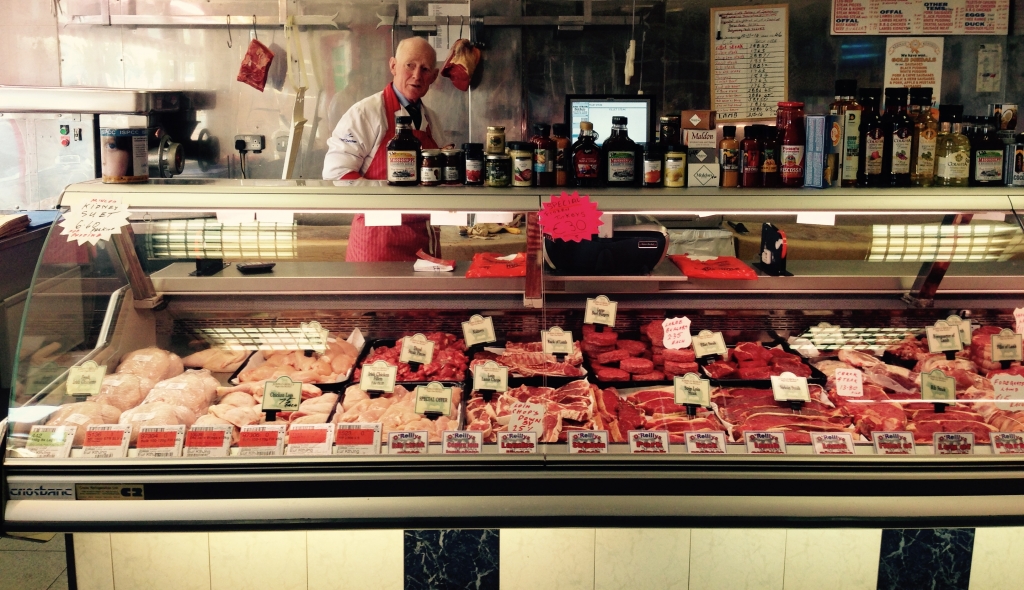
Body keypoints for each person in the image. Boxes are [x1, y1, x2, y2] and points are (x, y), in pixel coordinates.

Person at [323, 36, 446, 262]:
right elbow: (336, 175)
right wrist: (389, 196)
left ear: (434, 76)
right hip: (377, 243)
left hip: (422, 243)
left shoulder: (432, 119)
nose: (417, 75)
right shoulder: (365, 113)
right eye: (410, 65)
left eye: (425, 68)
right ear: (393, 66)